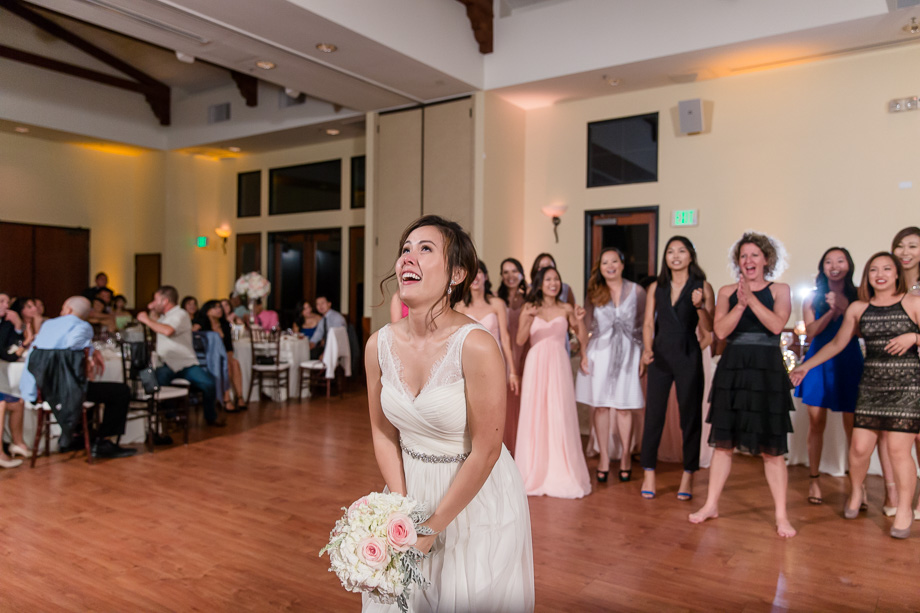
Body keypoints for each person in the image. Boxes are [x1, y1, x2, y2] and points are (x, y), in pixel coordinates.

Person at [364, 215, 534, 612]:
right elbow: (382, 433)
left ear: (457, 273)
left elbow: (488, 450)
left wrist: (431, 529)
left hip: (475, 496)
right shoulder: (378, 346)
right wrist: (402, 512)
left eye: (425, 249)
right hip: (410, 487)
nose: (409, 257)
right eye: (405, 249)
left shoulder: (475, 345)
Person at [791, 252, 920, 539]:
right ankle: (855, 492)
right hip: (872, 383)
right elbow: (837, 343)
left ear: (897, 273)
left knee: (899, 451)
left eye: (887, 268)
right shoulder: (858, 308)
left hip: (907, 386)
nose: (880, 274)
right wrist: (805, 366)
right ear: (867, 276)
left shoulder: (913, 302)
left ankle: (904, 510)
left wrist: (914, 337)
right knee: (860, 448)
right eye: (874, 269)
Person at [689, 232, 796, 538]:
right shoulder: (725, 291)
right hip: (733, 368)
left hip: (767, 371)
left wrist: (751, 300)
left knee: (772, 450)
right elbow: (719, 331)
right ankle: (710, 504)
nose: (748, 261)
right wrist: (739, 304)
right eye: (743, 256)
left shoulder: (781, 289)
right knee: (723, 445)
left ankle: (781, 516)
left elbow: (777, 325)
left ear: (766, 260)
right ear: (738, 261)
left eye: (754, 255)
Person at [640, 237, 714, 500]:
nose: (675, 256)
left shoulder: (702, 286)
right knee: (654, 416)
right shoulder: (656, 287)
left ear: (690, 256)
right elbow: (648, 323)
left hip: (688, 355)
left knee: (690, 417)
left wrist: (699, 306)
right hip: (660, 356)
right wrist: (647, 348)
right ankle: (649, 471)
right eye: (670, 251)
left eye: (681, 251)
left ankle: (688, 474)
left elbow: (709, 327)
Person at [19, 296, 136, 459]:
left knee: (89, 388)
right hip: (66, 390)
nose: (60, 312)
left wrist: (90, 350)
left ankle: (73, 436)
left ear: (68, 310)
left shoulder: (48, 325)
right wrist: (90, 350)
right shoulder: (83, 326)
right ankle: (103, 442)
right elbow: (72, 348)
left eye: (62, 309)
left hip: (41, 390)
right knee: (121, 391)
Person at [793, 247, 863, 506]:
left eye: (840, 260)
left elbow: (861, 332)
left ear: (849, 265)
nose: (834, 265)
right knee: (816, 424)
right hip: (817, 361)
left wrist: (846, 308)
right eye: (828, 261)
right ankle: (814, 480)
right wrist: (832, 312)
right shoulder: (812, 298)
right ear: (822, 267)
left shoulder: (859, 296)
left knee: (853, 427)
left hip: (849, 360)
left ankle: (859, 485)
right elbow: (810, 332)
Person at [515, 266, 591, 499]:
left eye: (556, 279)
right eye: (548, 279)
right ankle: (532, 471)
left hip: (559, 365)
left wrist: (580, 322)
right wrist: (527, 320)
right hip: (536, 364)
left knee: (559, 413)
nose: (553, 283)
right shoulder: (530, 308)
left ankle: (561, 469)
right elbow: (520, 340)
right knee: (535, 414)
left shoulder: (567, 308)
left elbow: (581, 335)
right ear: (539, 283)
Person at [575, 248, 647, 485]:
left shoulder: (637, 291)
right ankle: (604, 458)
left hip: (628, 354)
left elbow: (646, 325)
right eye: (605, 262)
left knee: (625, 408)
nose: (610, 266)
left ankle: (626, 456)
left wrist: (644, 354)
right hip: (600, 354)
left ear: (622, 264)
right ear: (600, 267)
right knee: (602, 408)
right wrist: (584, 354)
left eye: (614, 261)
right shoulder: (594, 293)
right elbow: (585, 327)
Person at [137, 286, 223, 427]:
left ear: (165, 301)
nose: (154, 302)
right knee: (156, 382)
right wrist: (152, 308)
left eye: (156, 299)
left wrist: (145, 319)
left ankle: (210, 417)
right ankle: (171, 417)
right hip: (166, 363)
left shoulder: (180, 314)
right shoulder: (165, 316)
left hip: (186, 363)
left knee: (208, 385)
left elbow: (168, 330)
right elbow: (156, 322)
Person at [888, 227, 920, 520]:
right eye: (900, 246)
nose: (905, 252)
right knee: (899, 442)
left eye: (913, 246)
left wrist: (915, 337)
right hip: (898, 376)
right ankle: (901, 501)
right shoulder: (890, 288)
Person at [454, 259, 520, 396]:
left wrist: (513, 371)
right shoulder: (460, 306)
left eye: (478, 272)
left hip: (495, 359)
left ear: (486, 276)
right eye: (470, 273)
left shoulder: (497, 304)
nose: (475, 277)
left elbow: (506, 338)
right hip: (469, 361)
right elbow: (455, 340)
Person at [498, 257, 528, 456]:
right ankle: (506, 448)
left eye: (514, 271)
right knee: (506, 401)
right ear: (501, 276)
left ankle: (525, 448)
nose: (510, 276)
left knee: (525, 400)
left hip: (525, 352)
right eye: (506, 272)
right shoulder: (495, 299)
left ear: (522, 274)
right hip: (504, 353)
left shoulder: (531, 299)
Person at [194, 300, 246, 412]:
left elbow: (229, 347)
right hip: (207, 359)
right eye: (215, 308)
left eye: (220, 307)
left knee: (234, 362)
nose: (219, 310)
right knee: (227, 363)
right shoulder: (201, 323)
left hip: (224, 356)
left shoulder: (225, 325)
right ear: (207, 311)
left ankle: (239, 397)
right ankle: (226, 399)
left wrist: (228, 357)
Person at [0, 293, 27, 468]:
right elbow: (7, 355)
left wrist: (18, 325)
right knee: (1, 403)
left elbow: (8, 347)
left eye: (7, 302)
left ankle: (18, 443)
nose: (6, 305)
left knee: (17, 402)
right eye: (1, 302)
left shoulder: (5, 324)